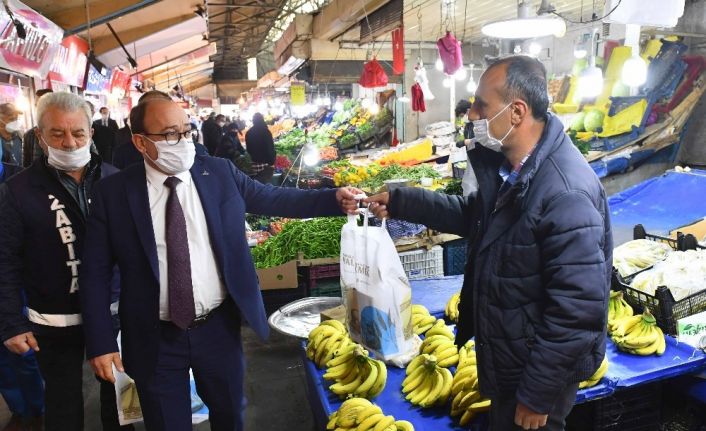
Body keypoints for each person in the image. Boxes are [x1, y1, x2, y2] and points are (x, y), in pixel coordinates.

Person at [79, 96, 361, 431]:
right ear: (140, 142)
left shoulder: (219, 172)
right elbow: (94, 273)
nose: (182, 142)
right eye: (170, 135)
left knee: (230, 415)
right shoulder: (114, 193)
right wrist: (100, 341)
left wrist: (333, 199)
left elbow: (274, 198)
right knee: (166, 423)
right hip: (153, 336)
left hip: (217, 328)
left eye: (186, 132)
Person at [366, 55, 611, 431]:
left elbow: (577, 310)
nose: (472, 114)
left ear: (517, 112)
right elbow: (474, 217)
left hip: (535, 370)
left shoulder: (565, 192)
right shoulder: (514, 169)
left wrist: (537, 394)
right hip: (511, 355)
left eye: (481, 105)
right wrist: (402, 201)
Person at [0, 92, 131, 431]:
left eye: (78, 133)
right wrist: (11, 322)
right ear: (40, 135)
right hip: (53, 322)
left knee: (122, 398)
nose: (69, 142)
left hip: (115, 314)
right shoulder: (17, 191)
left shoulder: (116, 180)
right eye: (57, 133)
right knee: (62, 404)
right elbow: (5, 260)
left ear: (91, 133)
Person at [0, 141, 43, 431]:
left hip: (16, 279)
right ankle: (19, 409)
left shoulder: (19, 181)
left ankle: (37, 409)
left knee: (22, 350)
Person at [22, 89, 53, 167]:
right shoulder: (29, 135)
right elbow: (26, 167)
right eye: (37, 105)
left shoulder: (68, 131)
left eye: (43, 105)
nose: (39, 109)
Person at [245, 112, 275, 184]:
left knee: (257, 184)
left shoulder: (249, 132)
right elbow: (270, 148)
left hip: (255, 163)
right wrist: (272, 161)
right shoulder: (266, 132)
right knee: (265, 184)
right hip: (266, 164)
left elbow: (248, 149)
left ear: (253, 121)